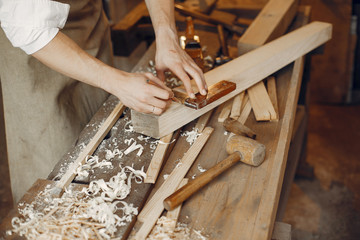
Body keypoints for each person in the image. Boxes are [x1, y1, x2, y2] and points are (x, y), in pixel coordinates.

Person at [0, 0, 206, 202]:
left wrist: (166, 35)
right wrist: (117, 82)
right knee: (57, 178)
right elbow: (28, 25)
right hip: (36, 45)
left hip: (88, 24)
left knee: (105, 146)